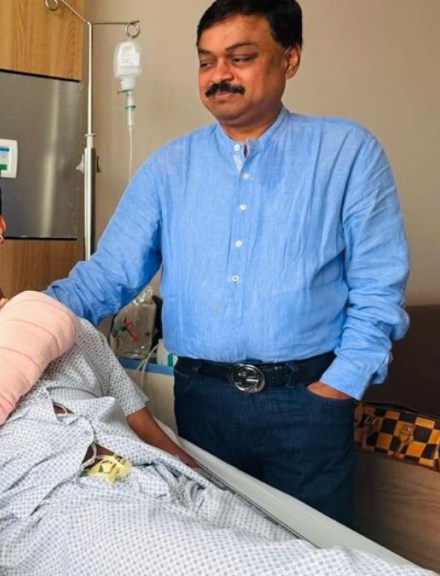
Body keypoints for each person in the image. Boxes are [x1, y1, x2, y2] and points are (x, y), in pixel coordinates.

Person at [0, 142, 427, 575]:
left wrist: (219, 496)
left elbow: (149, 432)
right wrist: (23, 343)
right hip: (59, 508)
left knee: (327, 556)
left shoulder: (70, 328)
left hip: (158, 483)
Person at [46, 0, 409, 526]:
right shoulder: (168, 168)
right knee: (217, 547)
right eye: (206, 61)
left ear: (289, 58)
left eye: (239, 58)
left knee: (317, 550)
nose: (219, 75)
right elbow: (109, 275)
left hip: (307, 404)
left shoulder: (346, 153)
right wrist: (23, 318)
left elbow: (378, 287)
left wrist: (337, 389)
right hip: (203, 402)